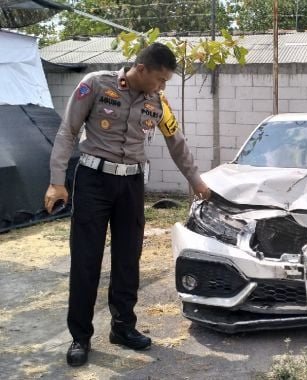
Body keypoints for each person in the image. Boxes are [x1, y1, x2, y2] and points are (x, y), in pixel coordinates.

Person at [44, 42, 211, 367]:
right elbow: (68, 131)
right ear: (142, 69)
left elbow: (177, 144)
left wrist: (197, 182)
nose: (163, 87)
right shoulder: (95, 84)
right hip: (93, 179)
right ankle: (80, 336)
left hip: (132, 185)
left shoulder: (158, 103)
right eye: (160, 79)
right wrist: (56, 180)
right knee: (86, 260)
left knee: (127, 260)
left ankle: (123, 327)